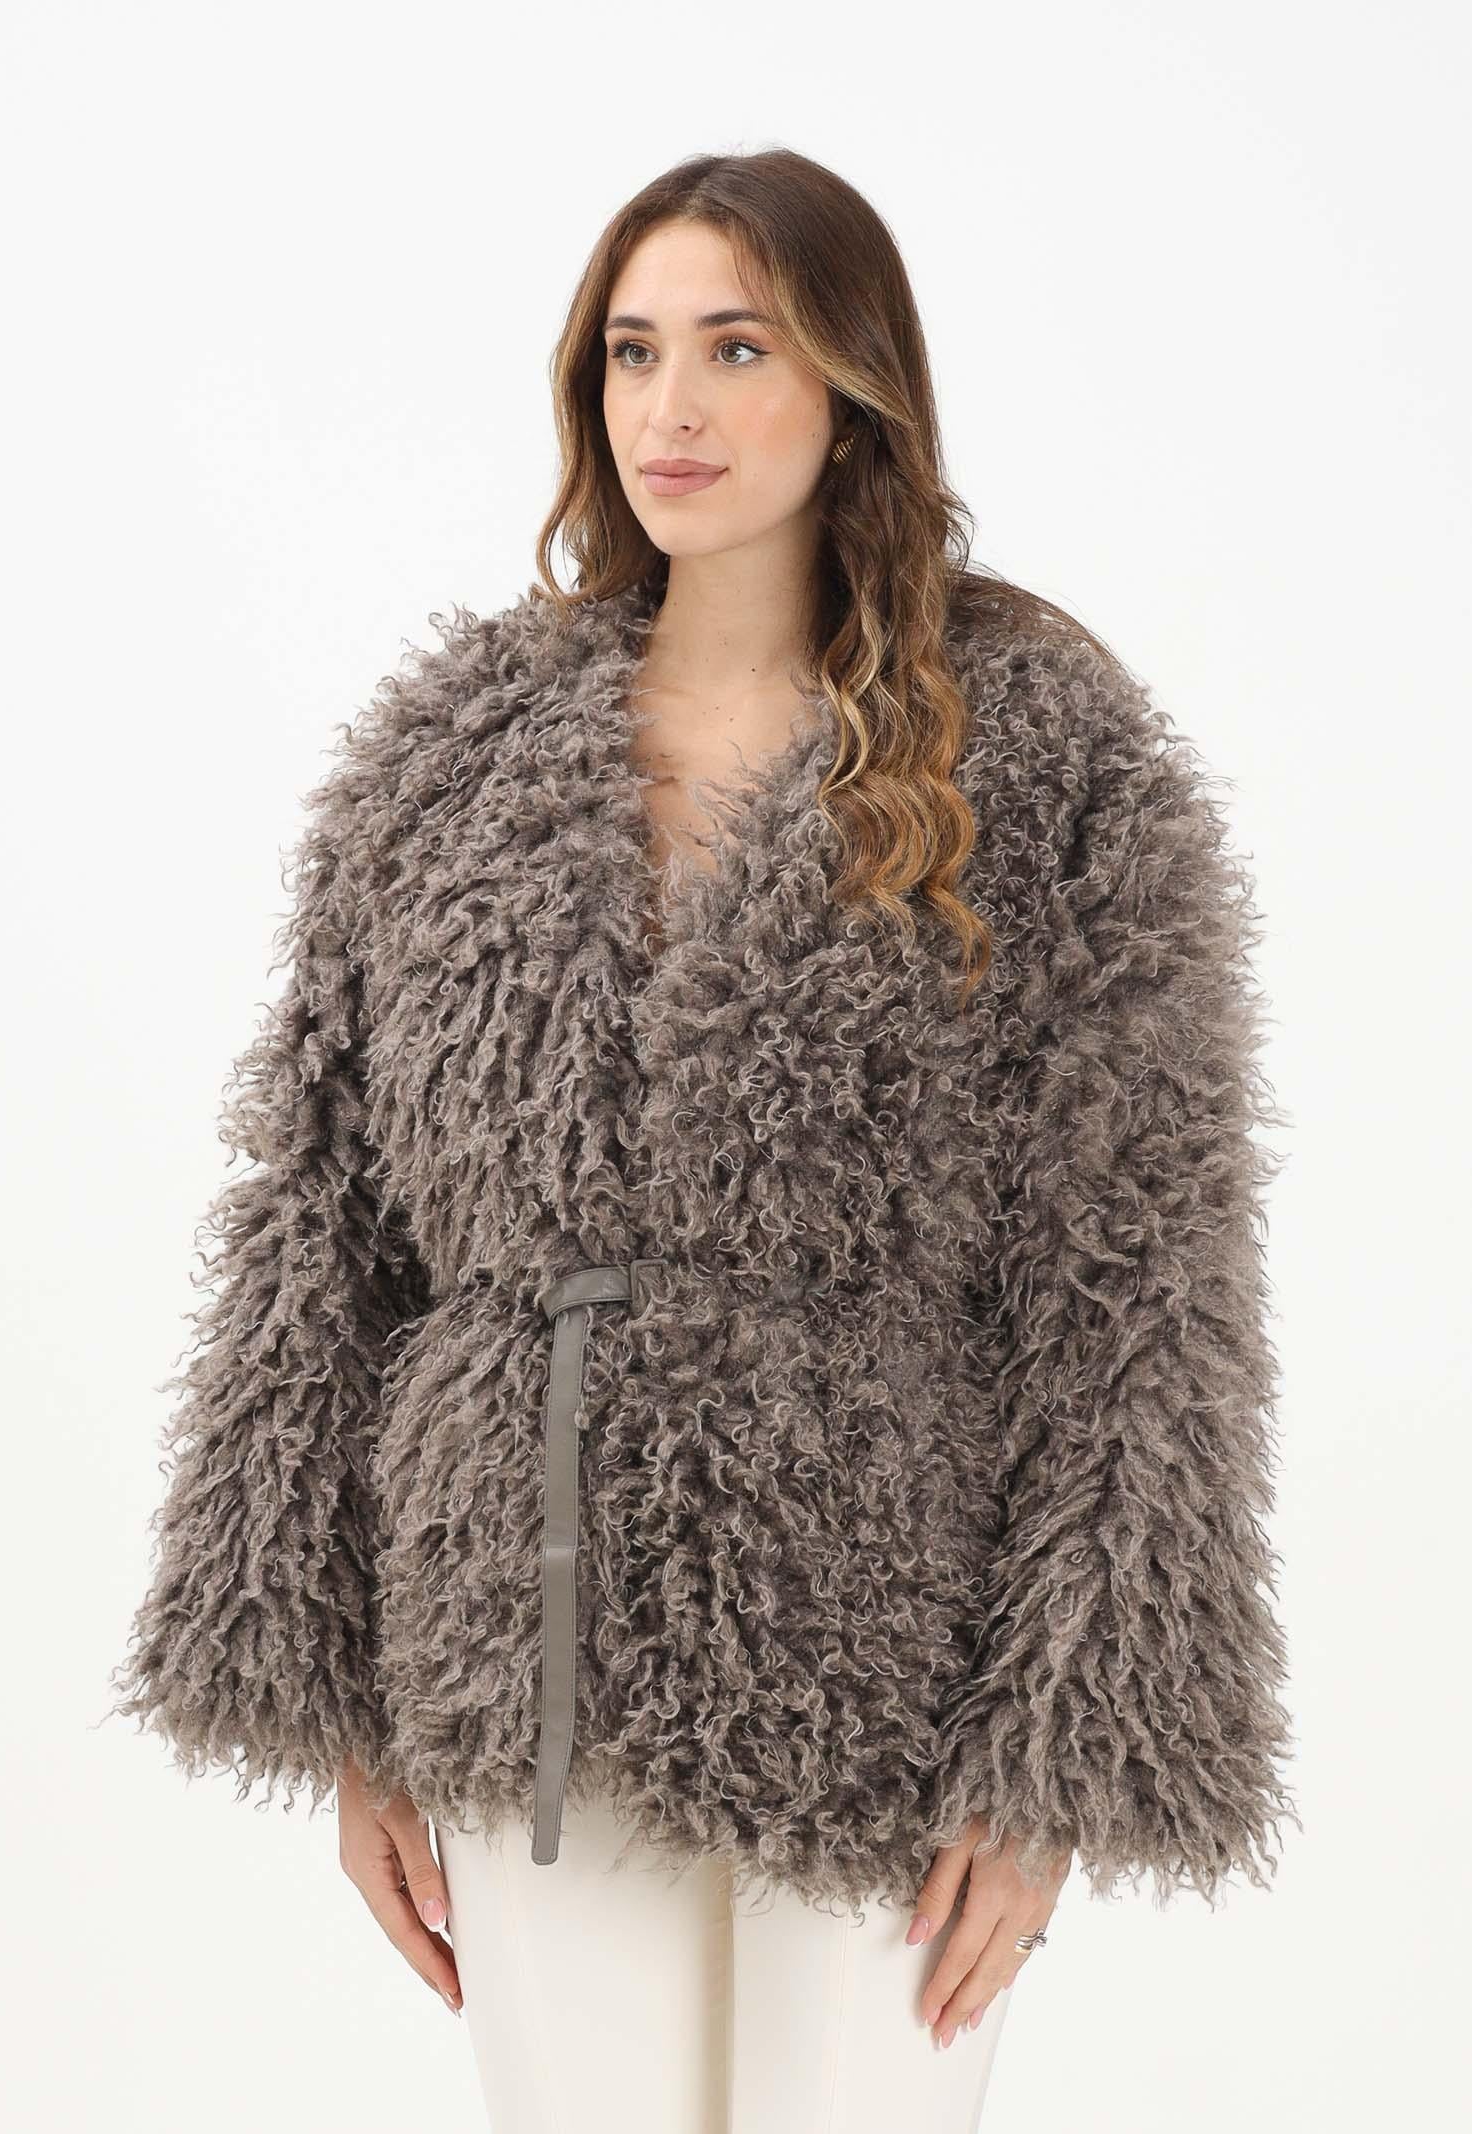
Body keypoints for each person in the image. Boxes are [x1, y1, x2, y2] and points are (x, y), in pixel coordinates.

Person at [109, 148, 1299, 2131]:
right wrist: (337, 1699)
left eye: (738, 348)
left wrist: (1061, 1742)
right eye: (632, 351)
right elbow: (319, 1231)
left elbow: (1145, 1283)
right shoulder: (451, 761)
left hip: (890, 1636)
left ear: (853, 386)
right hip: (519, 1621)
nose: (671, 406)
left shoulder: (1045, 764)